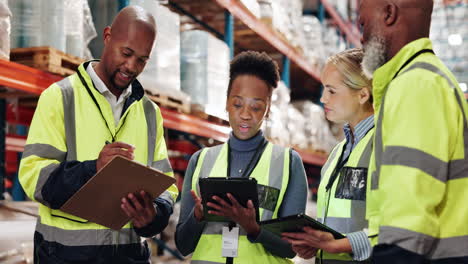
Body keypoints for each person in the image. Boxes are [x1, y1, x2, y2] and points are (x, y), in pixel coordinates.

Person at [18, 6, 178, 263]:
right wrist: (92, 169)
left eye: (142, 60)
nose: (131, 66)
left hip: (129, 257)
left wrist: (154, 214)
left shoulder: (150, 113)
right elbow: (33, 176)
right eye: (126, 53)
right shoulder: (60, 97)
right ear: (107, 36)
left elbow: (166, 187)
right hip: (66, 257)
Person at [358, 0, 468, 263]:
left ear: (389, 13)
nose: (361, 38)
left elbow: (407, 226)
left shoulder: (415, 85)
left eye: (363, 23)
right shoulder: (429, 79)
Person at [175, 51, 308, 263]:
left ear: (267, 109)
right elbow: (183, 245)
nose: (246, 114)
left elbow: (291, 248)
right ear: (226, 103)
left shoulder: (288, 163)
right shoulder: (200, 161)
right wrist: (197, 217)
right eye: (237, 104)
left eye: (256, 107)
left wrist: (254, 229)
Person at [282, 48, 374, 263]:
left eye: (332, 91)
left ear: (362, 94)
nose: (323, 98)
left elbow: (399, 228)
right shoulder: (337, 153)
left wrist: (334, 245)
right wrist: (317, 246)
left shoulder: (385, 144)